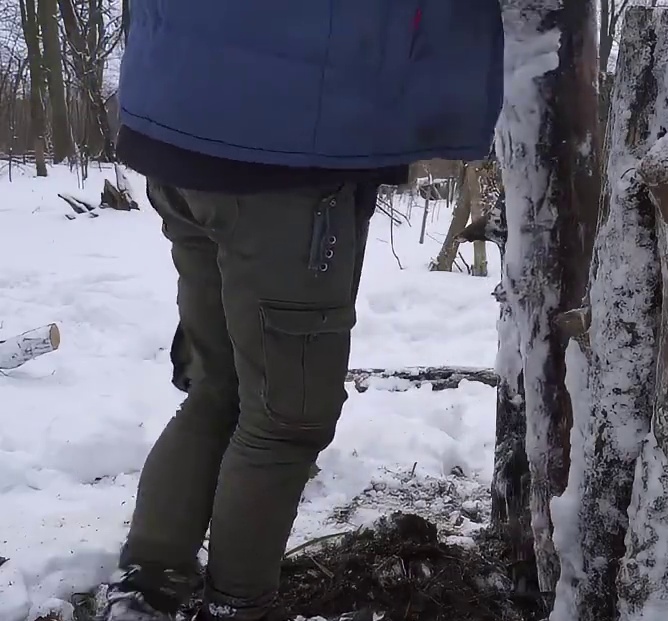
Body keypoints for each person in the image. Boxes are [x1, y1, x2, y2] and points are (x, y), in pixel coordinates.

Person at [102, 3, 504, 621]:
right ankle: (236, 606)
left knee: (220, 386)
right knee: (286, 417)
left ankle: (145, 589)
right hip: (283, 150)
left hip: (177, 119)